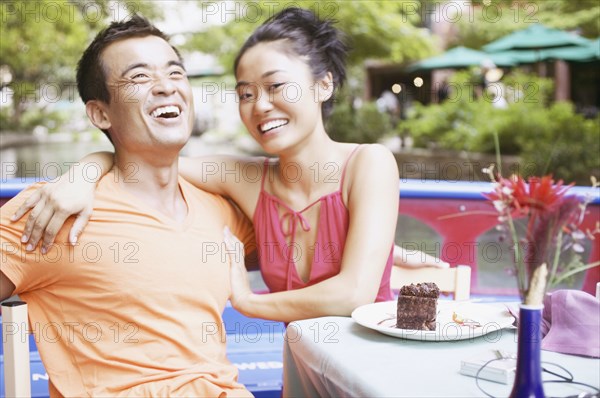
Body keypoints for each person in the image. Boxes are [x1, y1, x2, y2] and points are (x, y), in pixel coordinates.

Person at [11, 8, 447, 324]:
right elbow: (145, 159)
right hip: (301, 369)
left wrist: (246, 299)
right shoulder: (246, 179)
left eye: (276, 86)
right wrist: (83, 172)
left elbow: (352, 293)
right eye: (244, 93)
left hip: (369, 366)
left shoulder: (369, 163)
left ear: (323, 83)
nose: (260, 106)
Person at [0, 15, 255, 397]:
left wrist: (93, 162)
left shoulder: (220, 210)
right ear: (100, 113)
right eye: (139, 77)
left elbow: (309, 204)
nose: (165, 87)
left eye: (175, 72)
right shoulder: (56, 212)